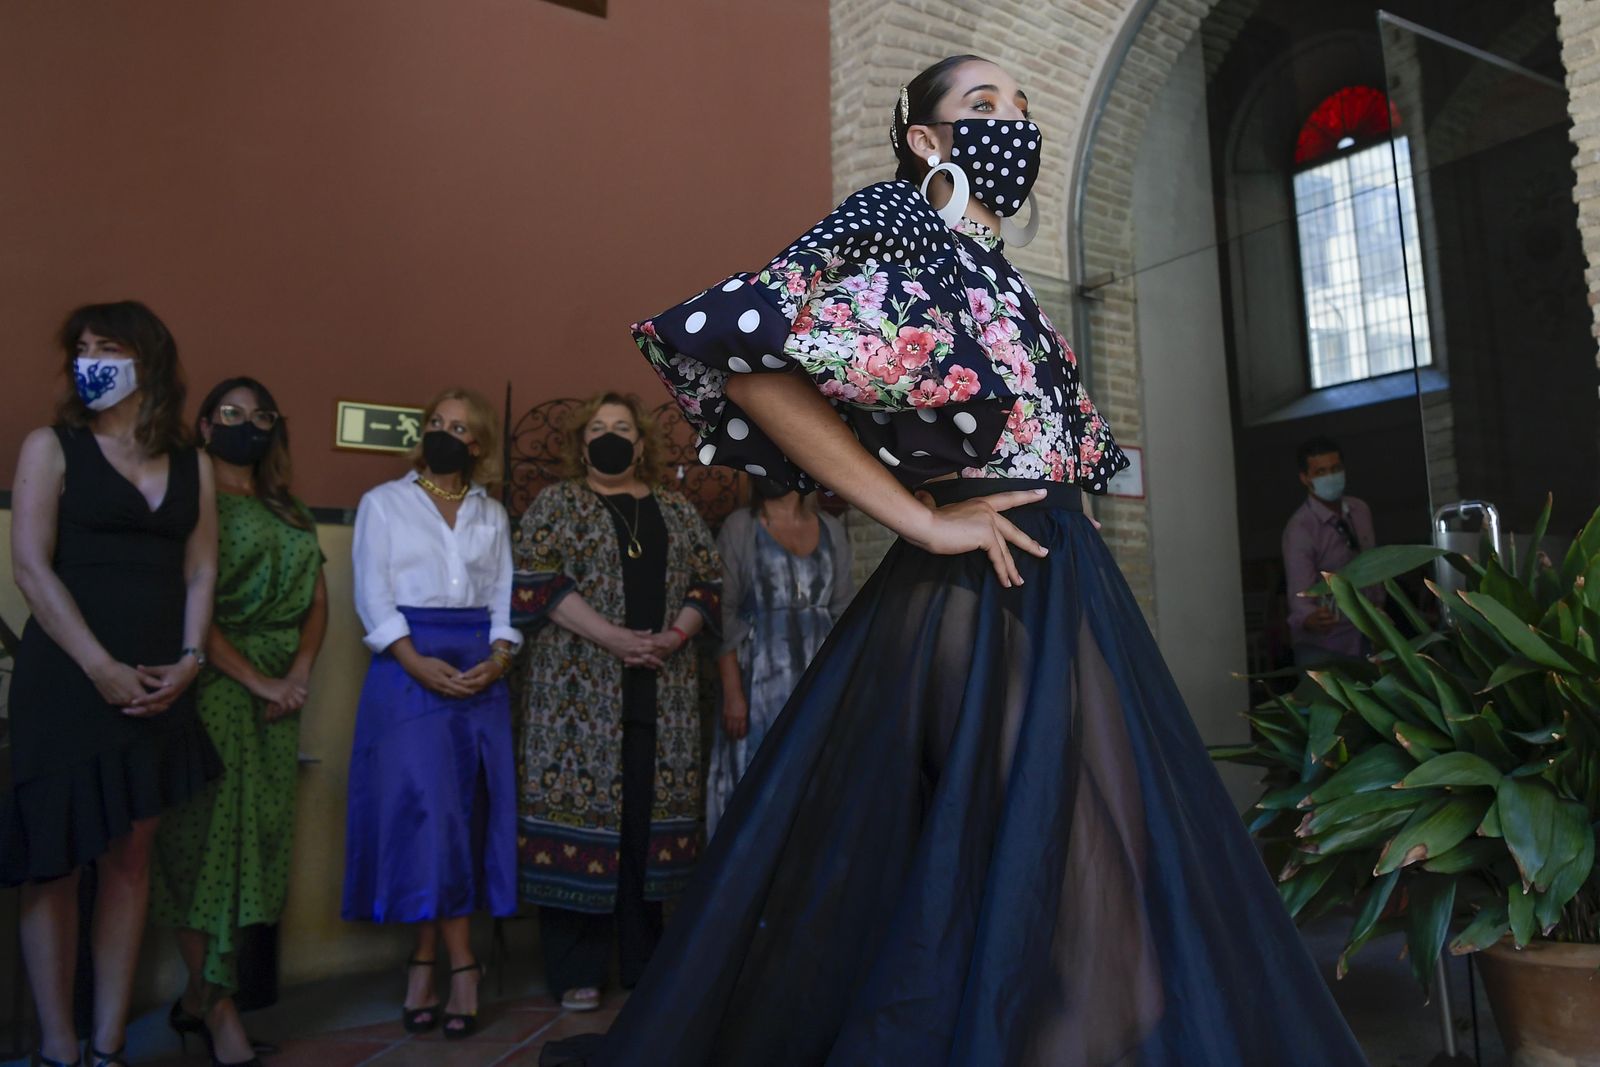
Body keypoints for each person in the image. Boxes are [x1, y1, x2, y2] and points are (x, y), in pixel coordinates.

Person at [549, 56, 1369, 1066]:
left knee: (1085, 872)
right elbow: (741, 354)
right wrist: (921, 519)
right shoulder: (895, 219)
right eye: (980, 107)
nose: (1009, 123)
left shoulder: (986, 264)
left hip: (1057, 578)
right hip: (989, 584)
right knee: (1082, 878)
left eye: (1019, 109)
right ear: (927, 141)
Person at [3, 301, 220, 1067]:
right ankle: (59, 1045)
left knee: (130, 857)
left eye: (110, 346)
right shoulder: (52, 446)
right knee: (54, 861)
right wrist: (98, 666)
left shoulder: (193, 461)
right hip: (68, 680)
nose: (92, 358)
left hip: (161, 680)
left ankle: (108, 1039)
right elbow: (30, 566)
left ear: (148, 360)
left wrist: (192, 659)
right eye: (83, 347)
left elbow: (200, 566)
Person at [511, 392, 720, 1012]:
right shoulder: (558, 504)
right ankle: (576, 968)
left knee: (643, 829)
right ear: (582, 444)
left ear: (640, 443)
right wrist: (613, 638)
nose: (609, 437)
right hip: (577, 698)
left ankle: (644, 962)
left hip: (665, 692)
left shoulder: (677, 511)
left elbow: (707, 582)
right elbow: (536, 579)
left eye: (621, 428)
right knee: (584, 823)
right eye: (598, 428)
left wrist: (674, 634)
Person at [151, 377, 328, 1067]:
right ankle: (215, 1005)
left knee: (255, 838)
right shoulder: (191, 505)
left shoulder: (292, 509)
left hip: (281, 700)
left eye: (259, 416)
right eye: (230, 413)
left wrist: (299, 675)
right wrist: (261, 680)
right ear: (202, 425)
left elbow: (317, 601)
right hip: (214, 690)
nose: (244, 425)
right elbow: (191, 607)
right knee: (203, 849)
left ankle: (200, 999)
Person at [342, 387, 520, 1040]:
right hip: (407, 671)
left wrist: (499, 658)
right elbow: (372, 593)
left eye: (461, 427)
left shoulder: (490, 512)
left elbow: (504, 596)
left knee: (467, 817)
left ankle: (426, 960)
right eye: (437, 423)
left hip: (479, 675)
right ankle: (459, 962)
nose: (447, 433)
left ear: (478, 444)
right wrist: (416, 662)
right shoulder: (383, 503)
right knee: (427, 815)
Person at [706, 477, 851, 837]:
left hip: (817, 675)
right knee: (755, 779)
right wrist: (733, 694)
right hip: (757, 678)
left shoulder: (831, 529)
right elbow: (721, 614)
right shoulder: (741, 526)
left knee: (814, 779)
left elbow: (844, 612)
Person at [1282, 435, 1383, 666]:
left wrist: (1378, 608)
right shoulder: (1300, 529)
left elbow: (1374, 564)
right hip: (1326, 645)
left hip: (1370, 632)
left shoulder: (1359, 510)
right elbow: (1300, 593)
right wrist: (1309, 617)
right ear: (1305, 478)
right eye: (1321, 472)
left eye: (1335, 469)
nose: (1330, 476)